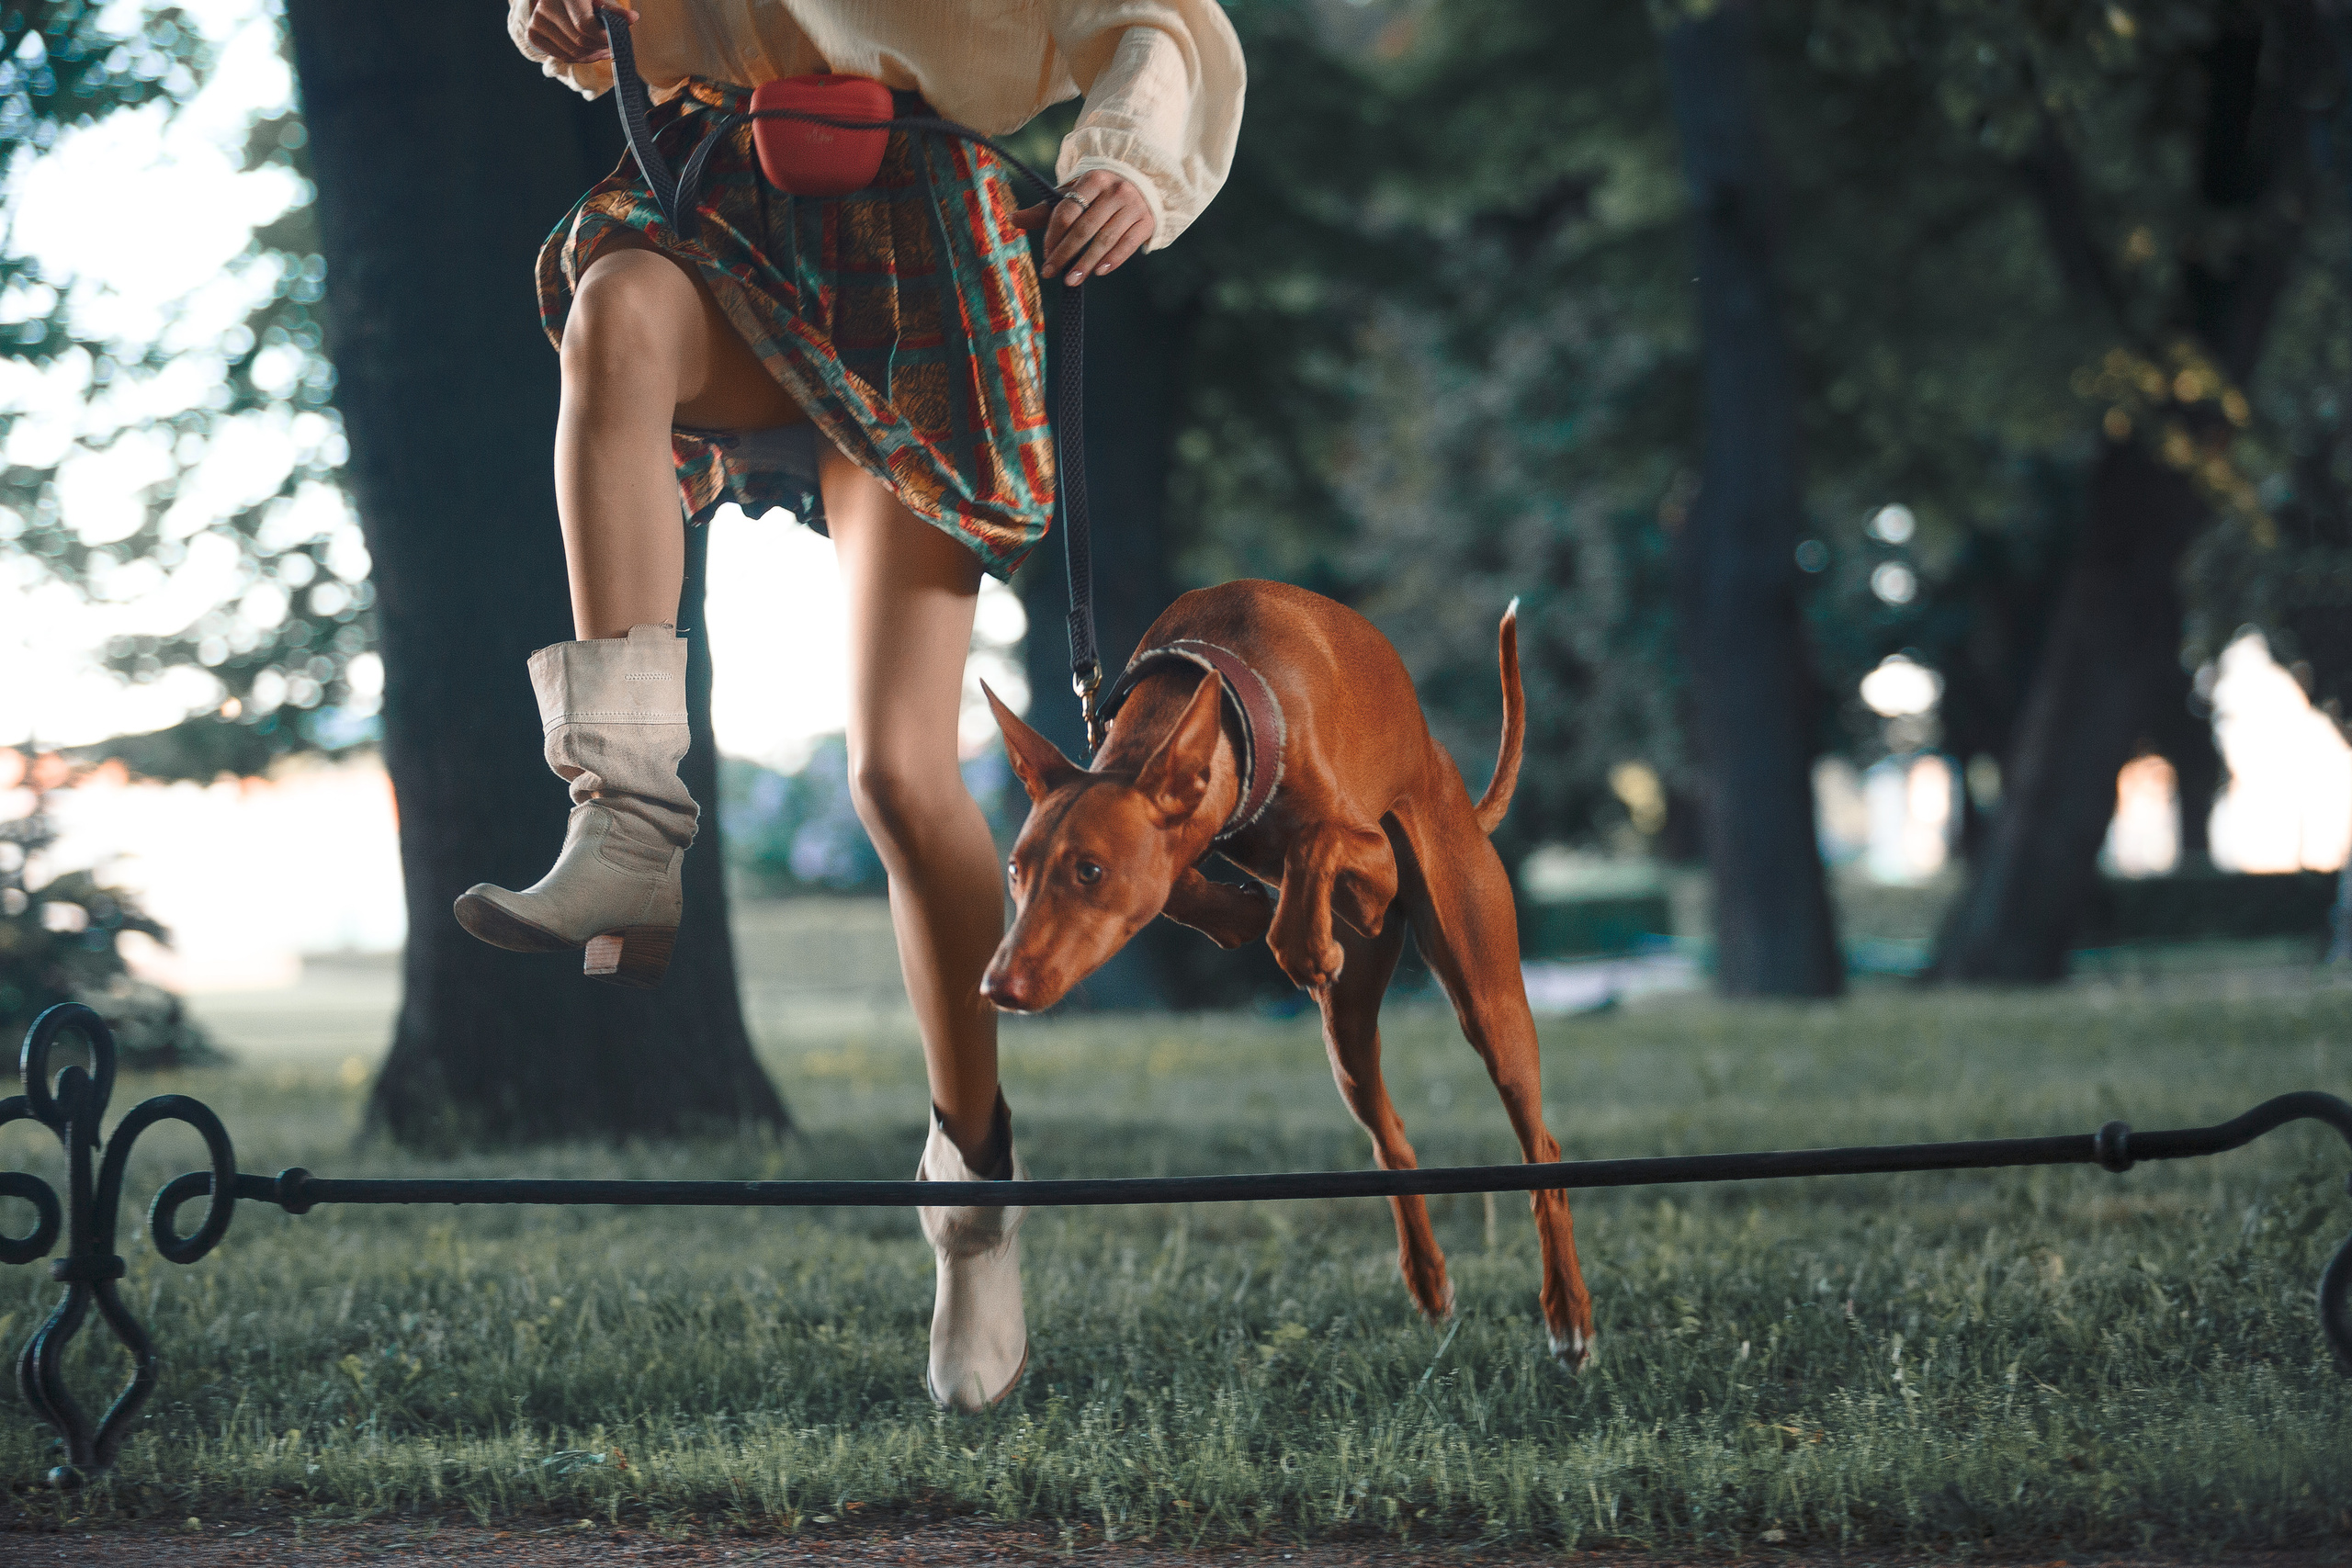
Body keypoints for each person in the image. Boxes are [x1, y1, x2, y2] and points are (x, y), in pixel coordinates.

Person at [458, 0, 1242, 1410]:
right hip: (731, 206)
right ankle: (624, 807)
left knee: (896, 778)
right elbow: (592, 31)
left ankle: (973, 1199)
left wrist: (1127, 159)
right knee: (615, 305)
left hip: (928, 250)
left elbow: (1158, 22)